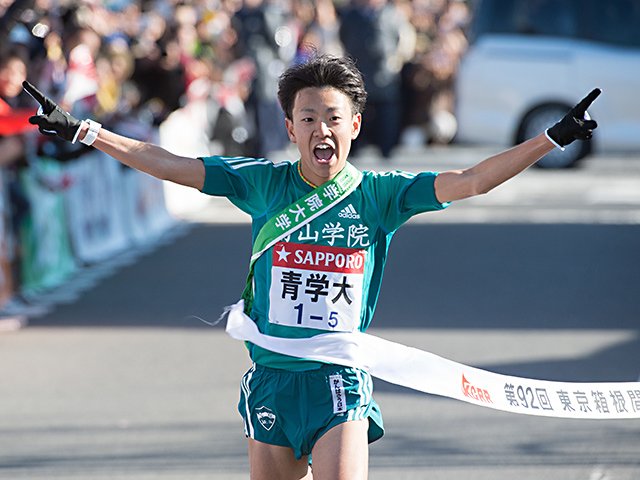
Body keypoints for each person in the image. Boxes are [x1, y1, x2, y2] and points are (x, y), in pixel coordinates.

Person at [22, 54, 599, 480]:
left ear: (354, 126)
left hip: (339, 382)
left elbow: (470, 181)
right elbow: (171, 164)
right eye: (307, 118)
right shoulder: (263, 182)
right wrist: (88, 131)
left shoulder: (379, 195)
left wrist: (551, 138)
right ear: (290, 126)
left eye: (333, 118)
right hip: (271, 376)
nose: (320, 130)